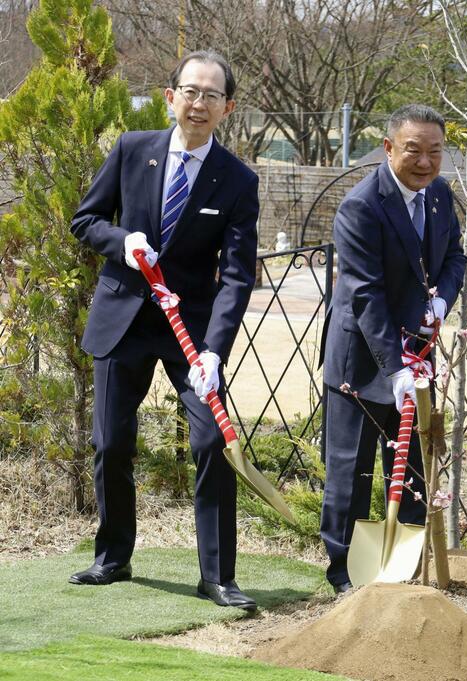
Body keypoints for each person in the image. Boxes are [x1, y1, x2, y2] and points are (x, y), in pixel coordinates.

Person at [69, 51, 258, 610]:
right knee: (110, 443)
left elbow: (238, 276)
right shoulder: (132, 150)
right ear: (171, 95)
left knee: (211, 443)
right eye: (190, 91)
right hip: (123, 317)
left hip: (192, 333)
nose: (198, 104)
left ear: (227, 107)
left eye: (211, 96)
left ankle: (217, 576)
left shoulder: (238, 180)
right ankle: (113, 556)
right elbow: (86, 220)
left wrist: (215, 352)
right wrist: (122, 243)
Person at [320, 104, 467, 593]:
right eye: (413, 150)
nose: (424, 162)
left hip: (417, 352)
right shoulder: (361, 206)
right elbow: (365, 294)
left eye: (435, 152)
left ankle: (405, 567)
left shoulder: (441, 196)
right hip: (363, 358)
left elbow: (454, 256)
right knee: (351, 467)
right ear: (388, 148)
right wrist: (393, 367)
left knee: (414, 467)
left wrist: (443, 299)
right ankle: (344, 572)